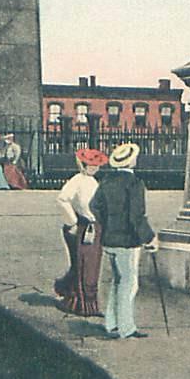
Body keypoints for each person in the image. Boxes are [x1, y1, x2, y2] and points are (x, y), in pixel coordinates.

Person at [90, 143, 159, 339]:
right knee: (129, 284)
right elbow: (137, 216)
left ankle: (111, 323)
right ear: (132, 161)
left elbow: (94, 206)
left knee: (116, 281)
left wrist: (107, 223)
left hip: (109, 239)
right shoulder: (134, 183)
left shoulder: (106, 181)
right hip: (127, 241)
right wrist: (150, 238)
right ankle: (126, 328)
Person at [54, 147, 109, 316]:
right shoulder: (76, 180)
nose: (93, 168)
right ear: (82, 165)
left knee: (91, 265)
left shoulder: (93, 182)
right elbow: (62, 199)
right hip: (82, 228)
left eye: (96, 165)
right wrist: (73, 221)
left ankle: (80, 299)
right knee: (85, 265)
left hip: (95, 228)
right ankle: (80, 303)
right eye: (89, 165)